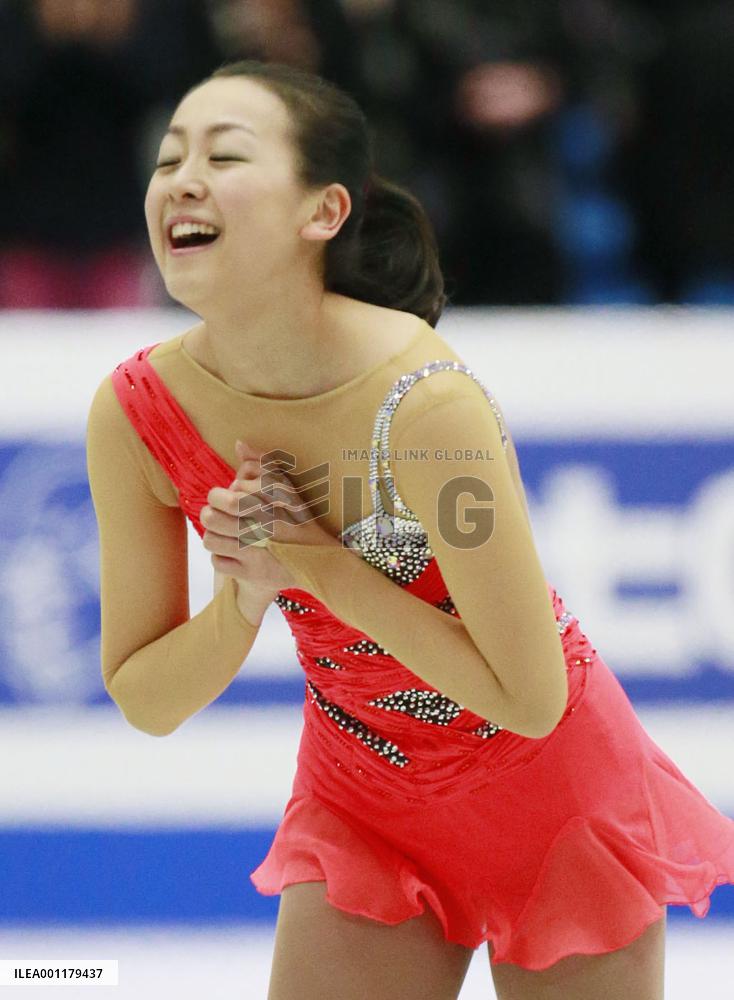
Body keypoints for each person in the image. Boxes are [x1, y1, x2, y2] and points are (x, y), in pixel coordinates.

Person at [86, 59, 734, 999]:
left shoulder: (424, 406)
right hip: (365, 808)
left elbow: (529, 696)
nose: (182, 179)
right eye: (167, 157)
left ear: (324, 212)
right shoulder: (136, 413)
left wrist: (314, 562)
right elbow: (145, 697)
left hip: (553, 806)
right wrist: (246, 594)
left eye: (225, 155)